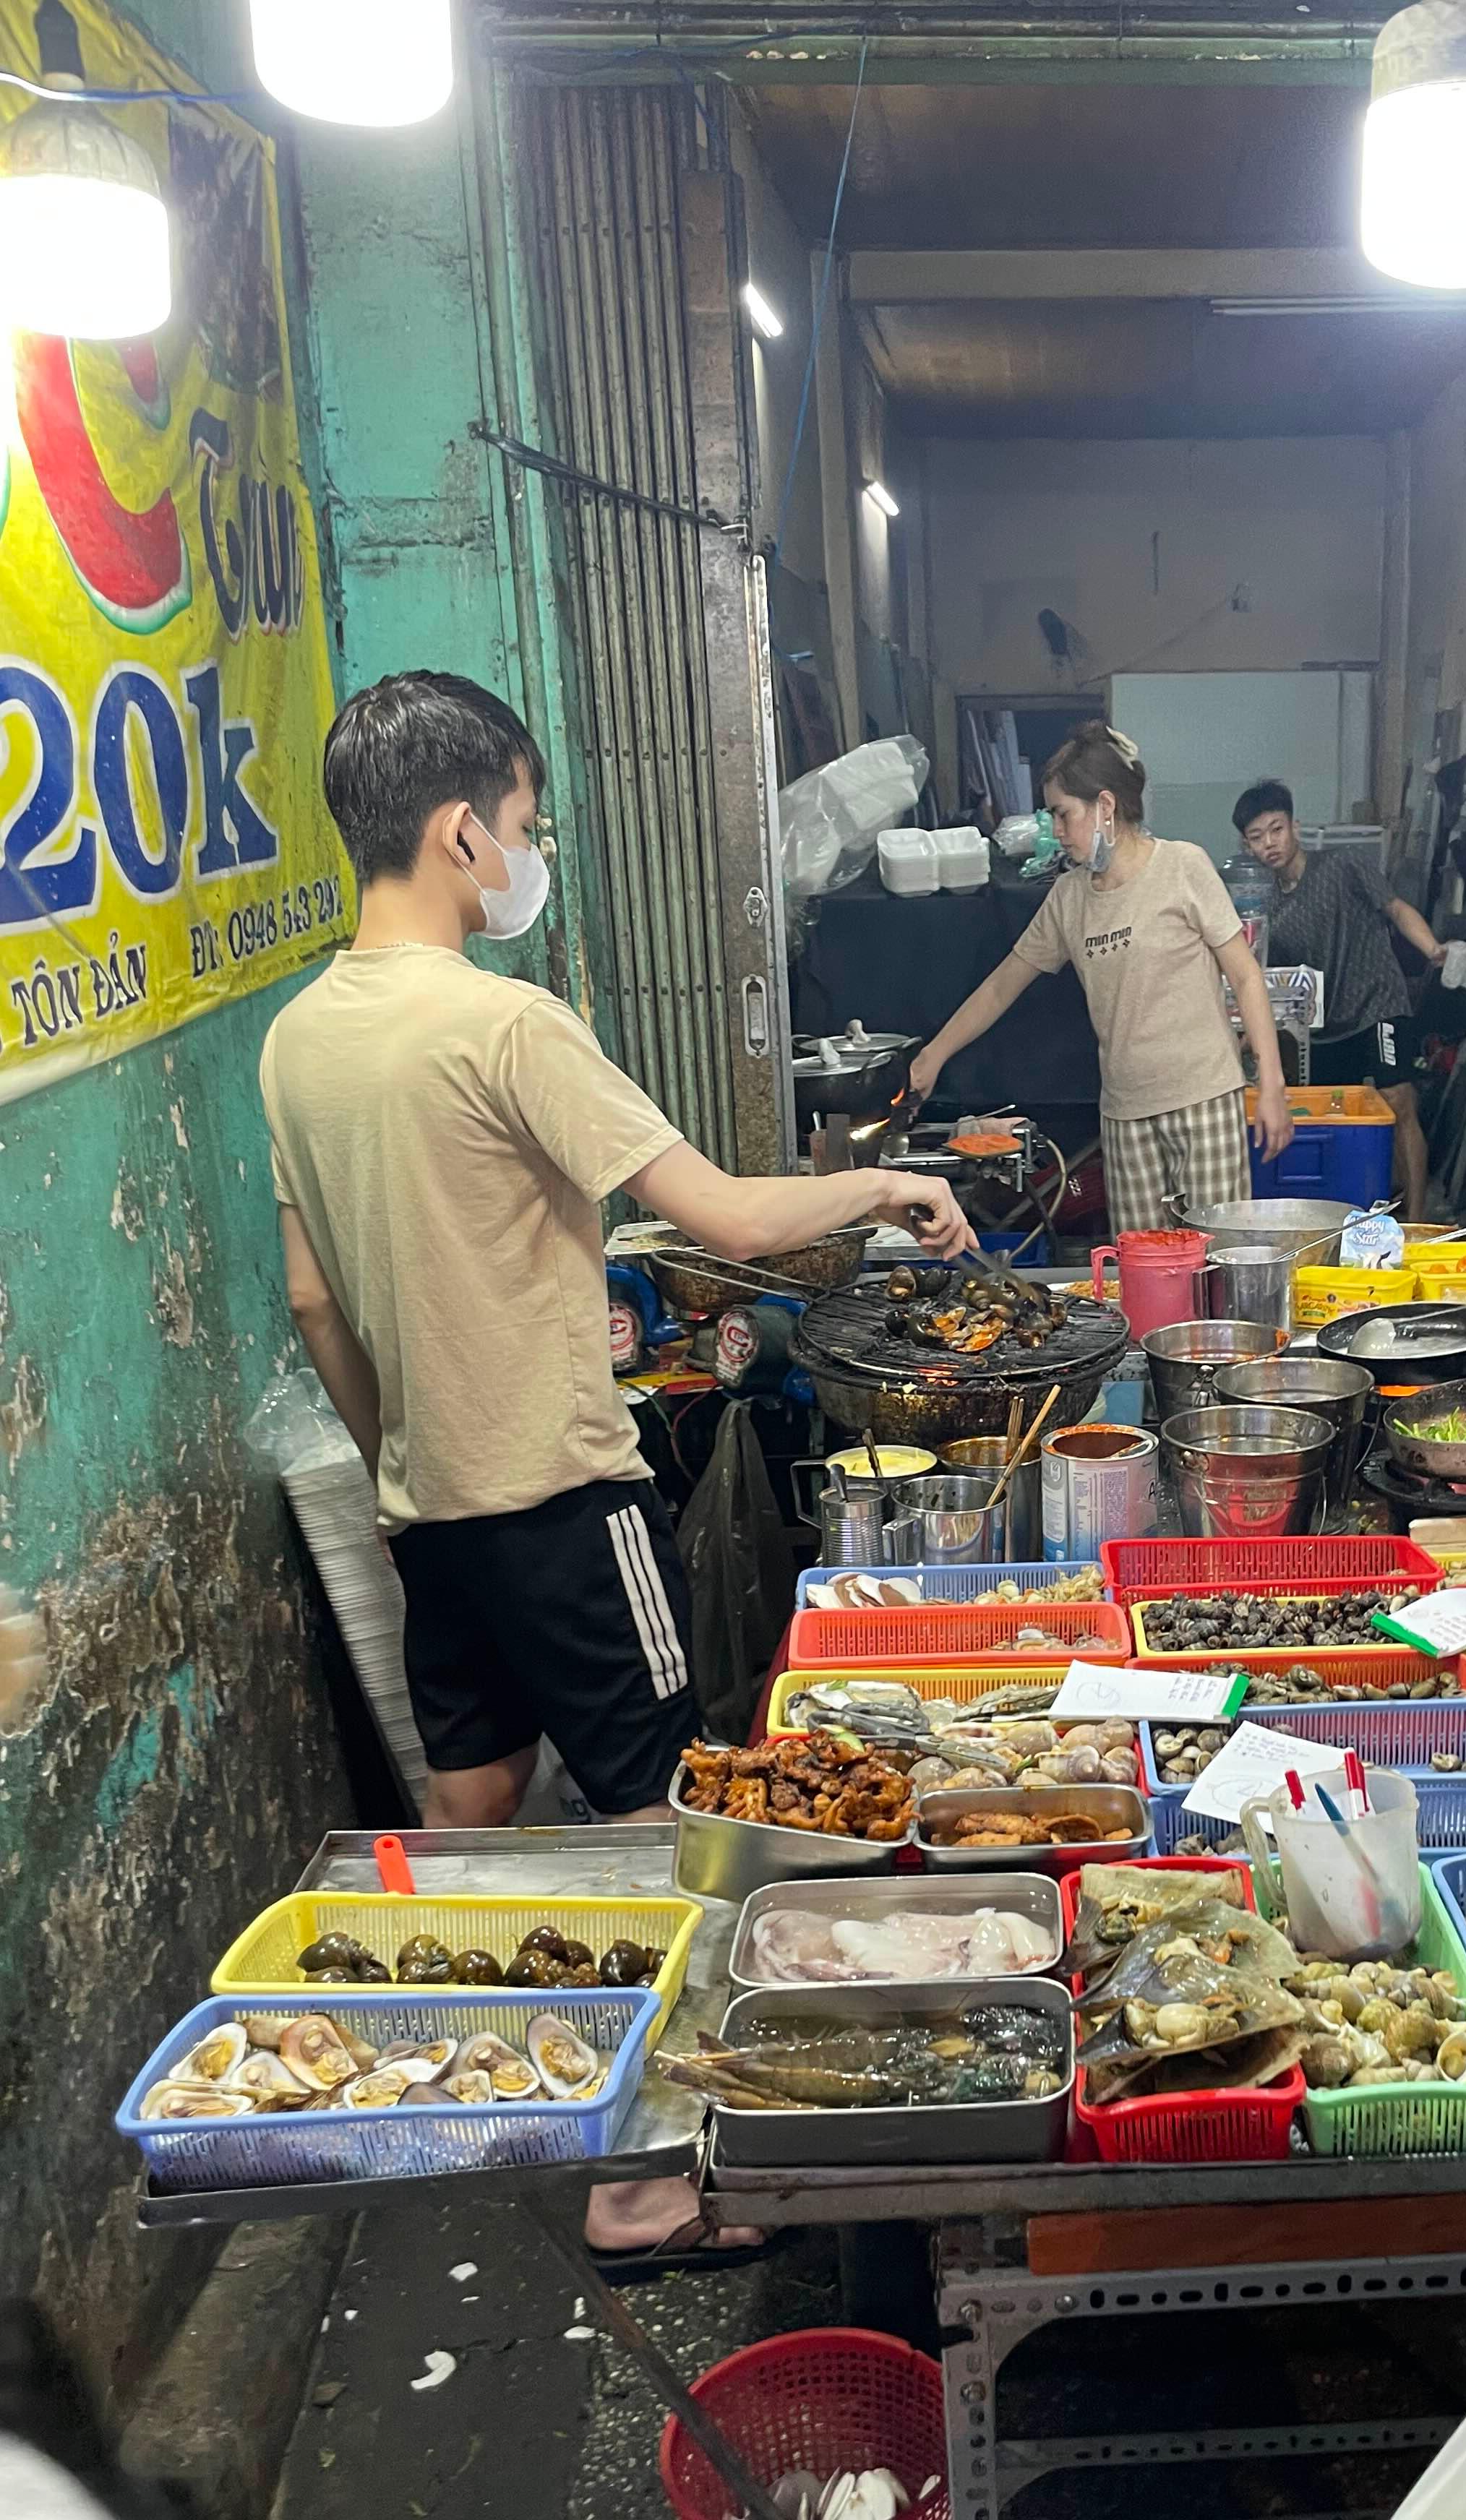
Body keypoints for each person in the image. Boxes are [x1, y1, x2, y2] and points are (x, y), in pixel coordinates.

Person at [263, 671, 973, 2268]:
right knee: (678, 1825)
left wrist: (405, 1458)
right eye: (525, 824)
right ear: (462, 831)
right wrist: (885, 1186)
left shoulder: (297, 1042)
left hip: (429, 1508)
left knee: (472, 1807)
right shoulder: (506, 1024)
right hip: (567, 1499)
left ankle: (488, 2100)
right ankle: (642, 2181)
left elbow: (313, 1300)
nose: (532, 853)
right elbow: (722, 1216)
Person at [905, 726, 1293, 1230]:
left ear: (1105, 806)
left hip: (1205, 1101)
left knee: (1215, 1261)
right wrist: (932, 1056)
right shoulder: (1070, 897)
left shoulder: (1182, 866)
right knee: (1139, 1264)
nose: (1057, 831)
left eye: (1063, 814)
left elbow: (1245, 975)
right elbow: (1002, 985)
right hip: (1125, 1115)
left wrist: (1272, 1086)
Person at [1233, 779, 1446, 1221]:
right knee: (1330, 1117)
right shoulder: (1270, 907)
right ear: (1247, 846)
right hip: (1325, 1026)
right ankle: (1344, 1217)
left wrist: (1433, 950)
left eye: (1276, 829)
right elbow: (1265, 978)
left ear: (1295, 826)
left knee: (1398, 1100)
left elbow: (1395, 908)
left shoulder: (1344, 864)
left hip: (1378, 1002)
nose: (1270, 843)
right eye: (1257, 837)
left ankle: (1417, 1222)